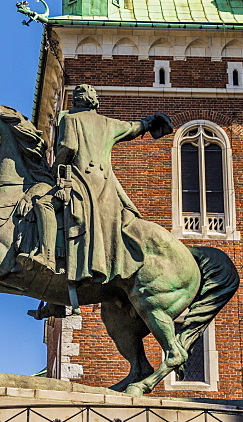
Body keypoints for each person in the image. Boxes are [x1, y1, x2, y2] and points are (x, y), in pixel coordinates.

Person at [21, 84, 172, 284]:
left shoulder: (70, 119)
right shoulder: (108, 123)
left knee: (43, 204)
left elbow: (68, 147)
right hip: (105, 186)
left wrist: (55, 169)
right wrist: (150, 121)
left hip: (78, 181)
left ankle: (46, 258)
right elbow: (133, 128)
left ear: (75, 101)